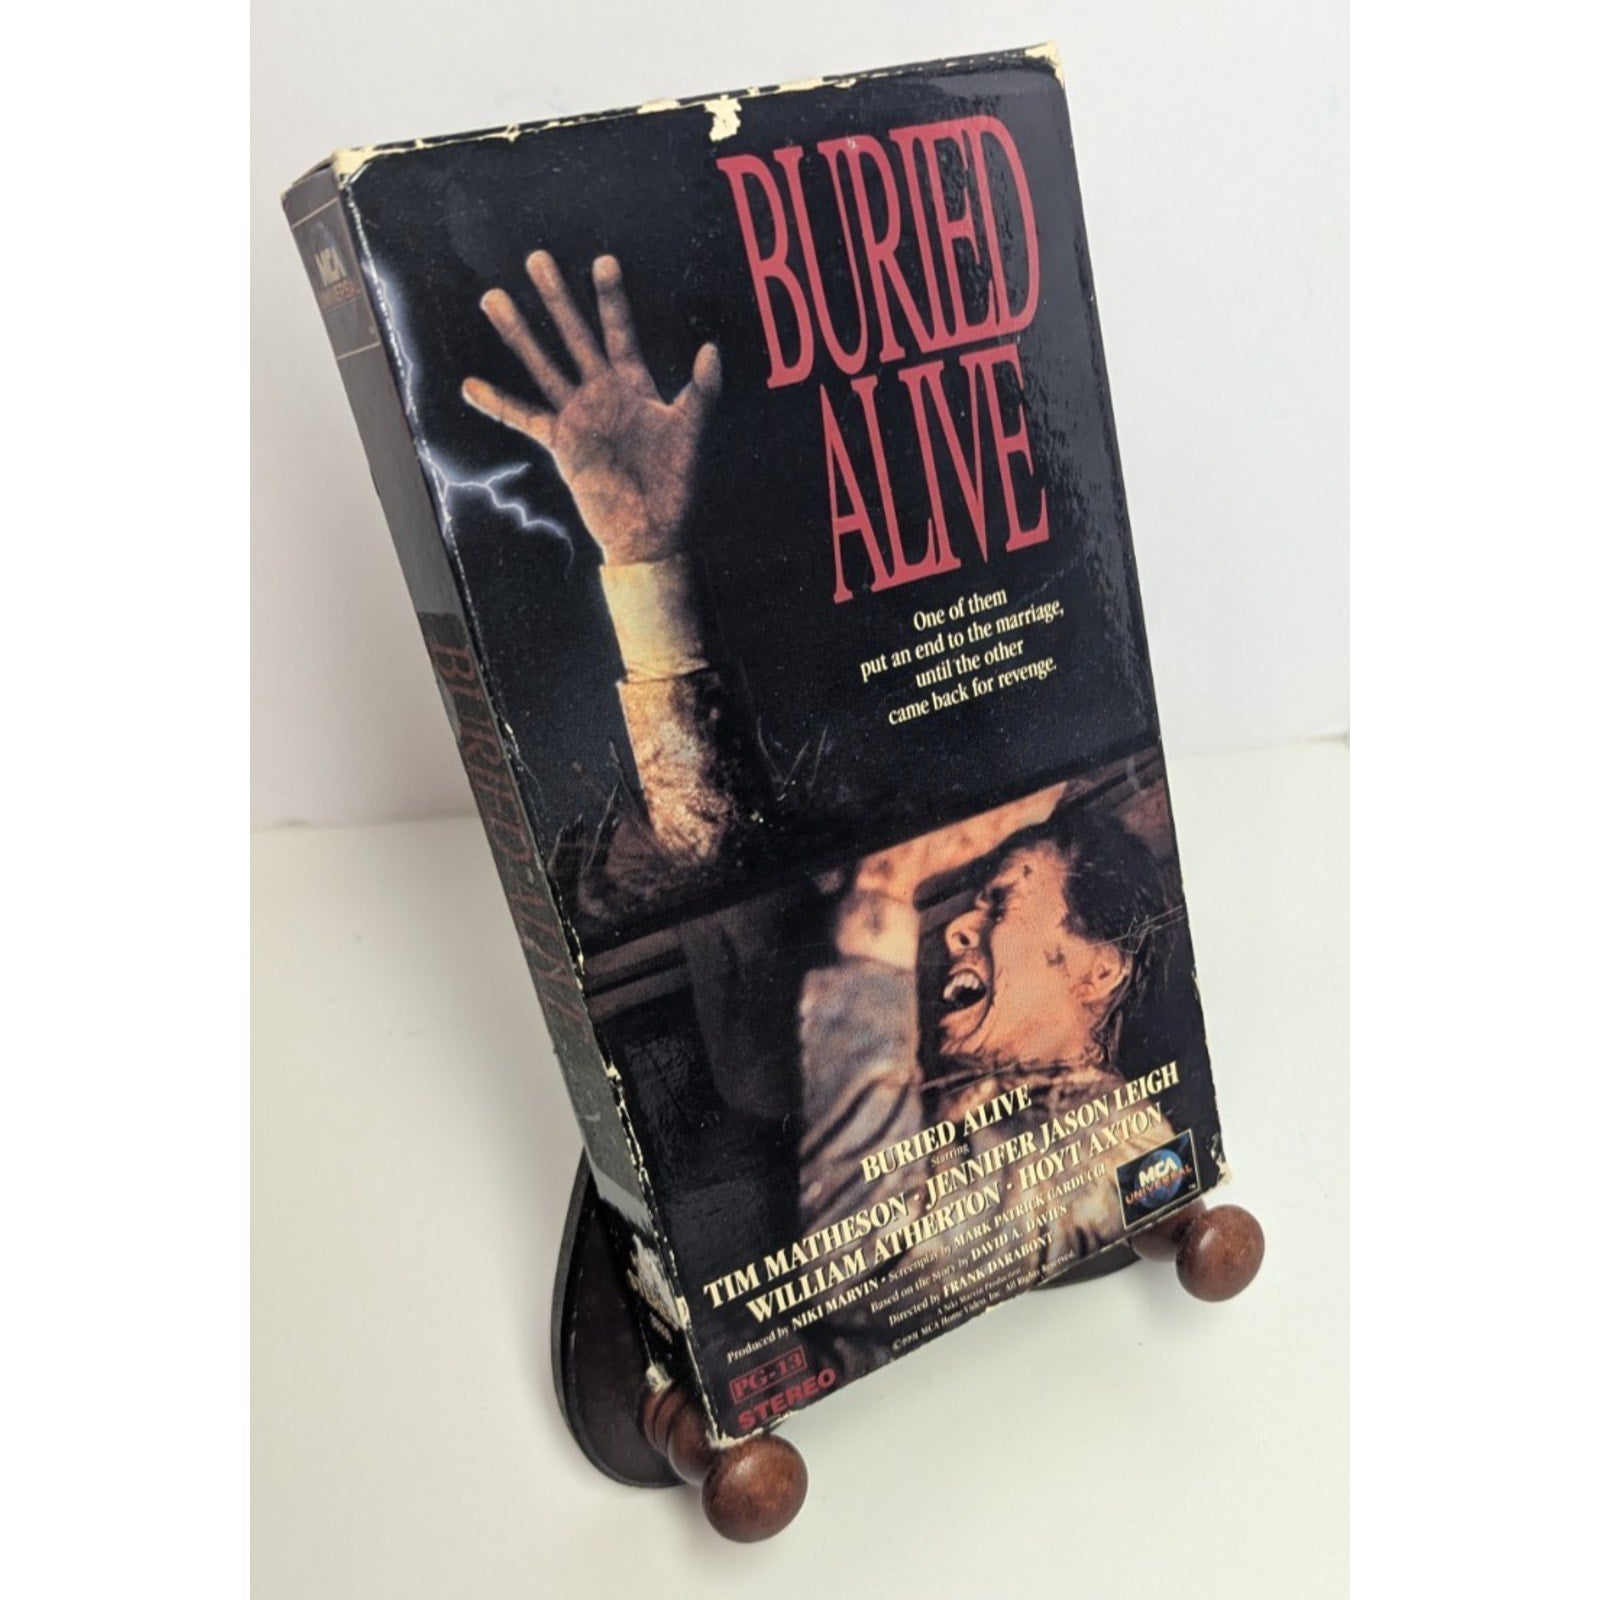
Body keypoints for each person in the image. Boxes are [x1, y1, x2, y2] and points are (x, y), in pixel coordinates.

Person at [464, 252, 1183, 1368]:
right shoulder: (867, 1038)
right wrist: (645, 564)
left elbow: (872, 1271)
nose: (960, 922)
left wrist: (885, 900)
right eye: (985, 898)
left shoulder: (1122, 1141)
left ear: (1097, 968)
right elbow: (705, 846)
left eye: (1003, 900)